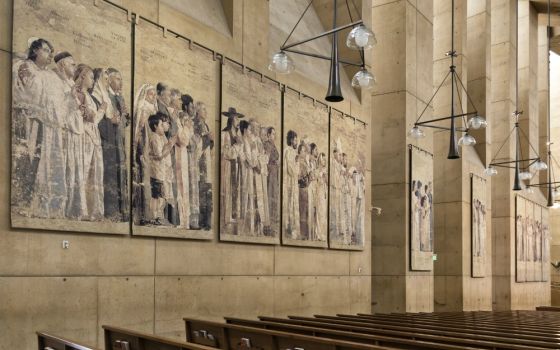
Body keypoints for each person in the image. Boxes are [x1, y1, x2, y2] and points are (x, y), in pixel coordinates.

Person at [13, 38, 68, 218]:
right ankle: (21, 202)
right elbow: (31, 93)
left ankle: (35, 204)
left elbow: (59, 100)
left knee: (39, 162)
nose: (50, 54)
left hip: (44, 124)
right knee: (25, 159)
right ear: (35, 51)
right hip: (27, 121)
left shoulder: (49, 75)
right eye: (46, 50)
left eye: (51, 51)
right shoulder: (25, 67)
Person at [98, 68, 130, 221]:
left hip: (120, 141)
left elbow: (125, 122)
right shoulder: (107, 96)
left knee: (122, 173)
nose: (120, 82)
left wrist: (126, 116)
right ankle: (112, 210)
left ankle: (122, 210)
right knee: (112, 173)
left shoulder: (120, 97)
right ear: (109, 80)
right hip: (110, 140)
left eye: (121, 79)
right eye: (117, 78)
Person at [78, 65, 106, 221]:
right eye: (91, 77)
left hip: (92, 136)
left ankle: (93, 210)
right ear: (82, 77)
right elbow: (91, 118)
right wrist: (101, 110)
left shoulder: (87, 96)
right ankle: (84, 210)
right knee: (86, 171)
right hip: (86, 136)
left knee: (94, 174)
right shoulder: (81, 94)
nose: (93, 81)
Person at [132, 84, 157, 224]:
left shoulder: (150, 108)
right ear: (145, 95)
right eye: (150, 94)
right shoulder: (143, 106)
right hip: (142, 143)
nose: (153, 97)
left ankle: (147, 214)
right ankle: (142, 214)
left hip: (147, 144)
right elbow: (140, 126)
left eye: (154, 95)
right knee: (142, 177)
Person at [147, 112, 177, 225]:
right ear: (155, 126)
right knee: (157, 195)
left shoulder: (160, 137)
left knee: (161, 195)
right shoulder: (154, 137)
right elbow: (159, 155)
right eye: (161, 125)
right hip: (157, 172)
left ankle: (158, 217)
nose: (163, 126)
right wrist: (170, 145)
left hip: (162, 172)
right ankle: (155, 217)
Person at [220, 107, 244, 233]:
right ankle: (226, 217)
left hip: (236, 166)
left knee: (235, 189)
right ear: (230, 119)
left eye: (237, 118)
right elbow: (227, 153)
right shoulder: (224, 134)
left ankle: (233, 215)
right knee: (227, 190)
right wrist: (237, 145)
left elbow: (240, 152)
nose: (237, 121)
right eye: (235, 118)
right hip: (228, 165)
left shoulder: (237, 134)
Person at [194, 101, 214, 230]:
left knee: (208, 192)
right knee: (201, 192)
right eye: (204, 110)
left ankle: (207, 222)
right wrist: (208, 138)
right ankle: (202, 222)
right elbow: (197, 145)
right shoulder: (196, 124)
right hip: (199, 164)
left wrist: (210, 140)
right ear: (198, 111)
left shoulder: (205, 125)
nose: (206, 112)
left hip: (206, 162)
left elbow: (209, 144)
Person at [284, 130, 299, 239]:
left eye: (296, 139)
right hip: (289, 182)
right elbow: (291, 169)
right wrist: (297, 162)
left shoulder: (293, 152)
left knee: (292, 203)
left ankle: (292, 226)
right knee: (289, 203)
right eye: (295, 139)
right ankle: (288, 225)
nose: (296, 141)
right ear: (290, 140)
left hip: (293, 182)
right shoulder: (288, 151)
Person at [263, 127, 279, 231]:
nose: (274, 136)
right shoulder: (267, 144)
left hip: (274, 172)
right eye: (273, 134)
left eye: (275, 134)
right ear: (268, 135)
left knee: (274, 194)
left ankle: (273, 218)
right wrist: (274, 162)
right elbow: (267, 159)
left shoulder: (273, 144)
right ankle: (269, 219)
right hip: (270, 172)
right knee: (269, 194)